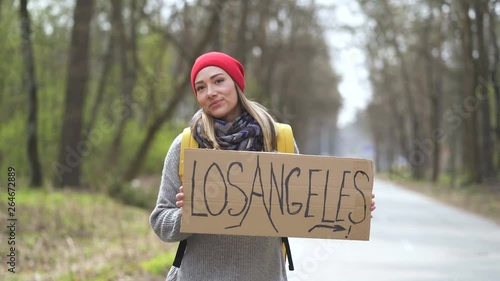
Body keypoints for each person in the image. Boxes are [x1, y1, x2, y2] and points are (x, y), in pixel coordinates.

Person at [149, 51, 377, 281]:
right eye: (200, 87)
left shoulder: (277, 140)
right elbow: (160, 220)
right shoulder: (187, 146)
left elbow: (302, 206)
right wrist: (187, 215)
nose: (211, 92)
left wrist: (349, 205)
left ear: (237, 84)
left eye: (219, 81)